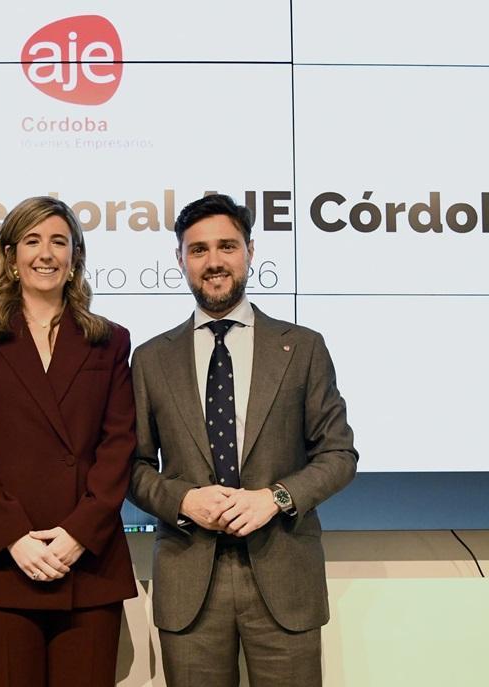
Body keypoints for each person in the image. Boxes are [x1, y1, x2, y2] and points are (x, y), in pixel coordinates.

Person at [128, 193, 358, 685]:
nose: (214, 262)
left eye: (227, 246)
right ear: (180, 260)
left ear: (250, 251)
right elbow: (132, 467)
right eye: (198, 250)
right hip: (190, 580)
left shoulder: (302, 347)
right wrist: (184, 498)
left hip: (284, 573)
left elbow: (338, 454)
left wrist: (275, 498)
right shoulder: (150, 360)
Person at [0, 196, 137, 686]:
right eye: (31, 240)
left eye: (58, 241)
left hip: (88, 561)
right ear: (10, 256)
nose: (45, 253)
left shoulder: (109, 339)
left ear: (75, 259)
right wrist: (12, 537)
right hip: (1, 561)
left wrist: (77, 535)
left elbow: (118, 445)